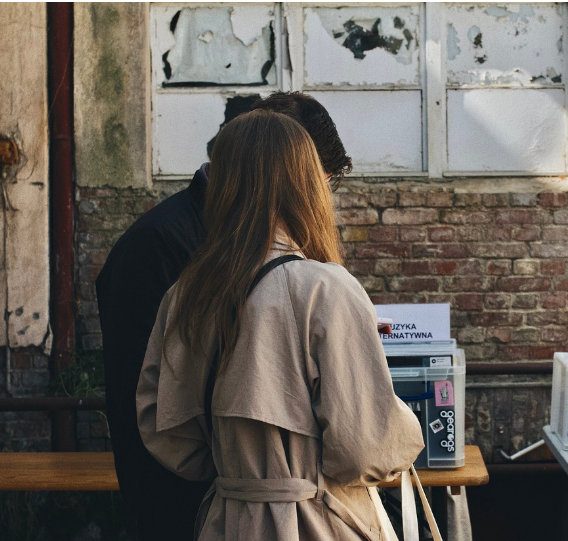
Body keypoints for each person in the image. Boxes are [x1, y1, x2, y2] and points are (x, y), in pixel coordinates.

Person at [136, 110, 424, 540]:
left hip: (227, 522)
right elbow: (367, 450)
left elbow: (164, 431)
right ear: (305, 184)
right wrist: (399, 418)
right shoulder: (325, 287)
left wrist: (244, 470)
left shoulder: (187, 294)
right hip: (320, 521)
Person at [96, 92, 353, 541]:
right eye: (316, 181)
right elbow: (149, 409)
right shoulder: (158, 247)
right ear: (279, 169)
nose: (320, 199)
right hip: (195, 511)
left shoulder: (268, 253)